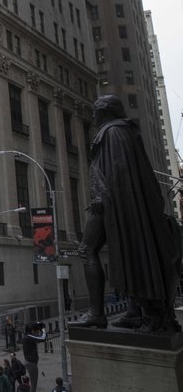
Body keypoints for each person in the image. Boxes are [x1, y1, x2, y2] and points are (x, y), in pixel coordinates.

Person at [72, 95, 182, 333]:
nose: (93, 117)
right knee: (132, 250)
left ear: (105, 112)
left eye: (96, 112)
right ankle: (135, 311)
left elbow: (118, 170)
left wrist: (101, 197)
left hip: (112, 202)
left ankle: (96, 313)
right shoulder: (125, 132)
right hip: (121, 203)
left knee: (87, 249)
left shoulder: (113, 133)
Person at [22, 322, 46, 392]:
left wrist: (38, 324)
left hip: (30, 362)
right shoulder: (29, 337)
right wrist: (43, 330)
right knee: (34, 384)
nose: (38, 333)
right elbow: (42, 338)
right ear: (33, 331)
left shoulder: (27, 336)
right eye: (37, 331)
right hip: (31, 364)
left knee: (33, 383)